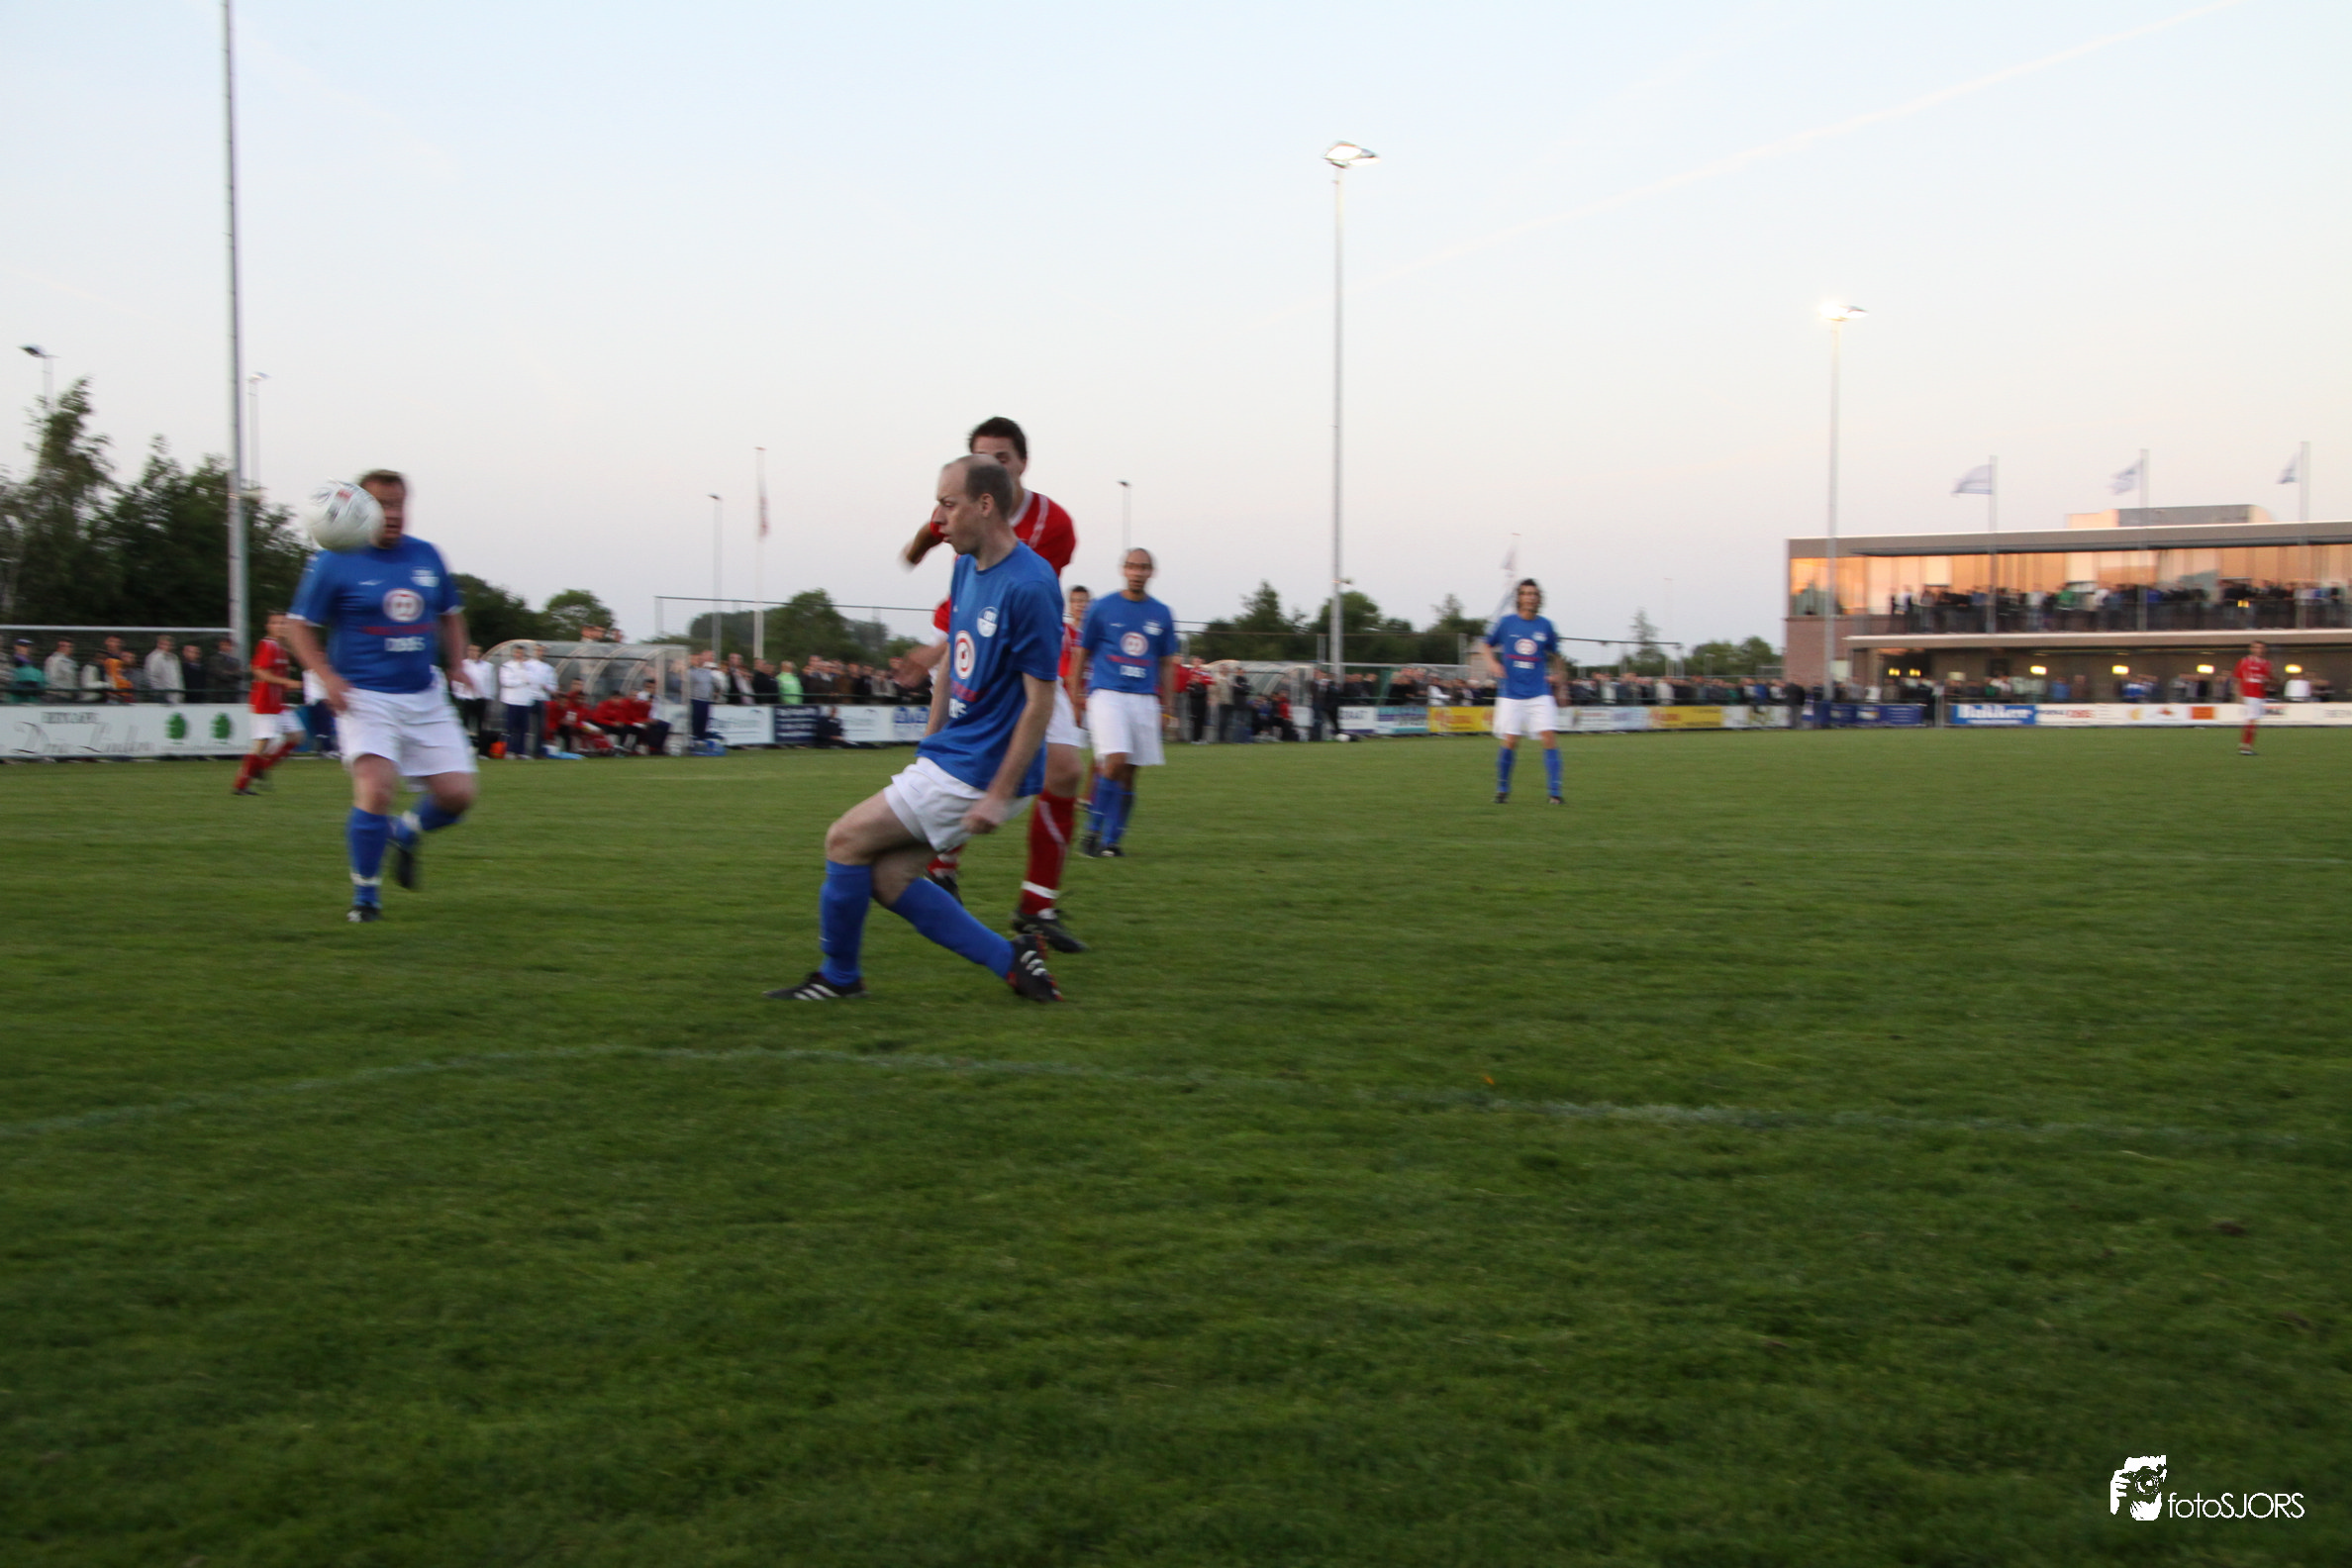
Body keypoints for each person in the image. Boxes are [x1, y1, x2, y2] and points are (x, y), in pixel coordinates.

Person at [769, 455, 1062, 1003]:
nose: (938, 518)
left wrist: (998, 794)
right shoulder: (965, 566)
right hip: (955, 757)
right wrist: (930, 740)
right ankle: (1012, 962)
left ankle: (839, 979)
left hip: (982, 769)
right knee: (888, 879)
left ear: (985, 505)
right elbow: (952, 656)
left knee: (844, 839)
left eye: (948, 504)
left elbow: (1040, 701)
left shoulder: (1031, 585)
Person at [899, 417, 1088, 951]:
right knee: (962, 761)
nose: (993, 465)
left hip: (1022, 651)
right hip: (969, 644)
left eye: (1002, 457)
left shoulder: (1053, 523)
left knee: (1066, 770)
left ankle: (1036, 904)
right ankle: (942, 868)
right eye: (982, 457)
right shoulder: (961, 507)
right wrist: (921, 542)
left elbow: (1022, 593)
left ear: (1022, 463)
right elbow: (926, 548)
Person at [281, 470, 478, 922]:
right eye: (382, 505)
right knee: (376, 788)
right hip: (364, 695)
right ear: (360, 508)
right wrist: (326, 676)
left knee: (458, 795)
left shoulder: (427, 555)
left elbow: (450, 615)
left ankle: (405, 831)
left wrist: (456, 663)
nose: (393, 514)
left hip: (424, 695)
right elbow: (298, 626)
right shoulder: (335, 559)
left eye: (399, 504)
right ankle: (366, 898)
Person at [1078, 549, 1179, 858]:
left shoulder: (1162, 613)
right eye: (1132, 566)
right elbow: (1082, 653)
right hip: (1107, 693)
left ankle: (1112, 841)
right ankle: (1092, 833)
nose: (1137, 572)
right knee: (1115, 760)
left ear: (1152, 572)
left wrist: (1167, 708)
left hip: (1144, 698)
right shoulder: (1102, 607)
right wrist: (1074, 696)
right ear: (1123, 569)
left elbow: (1166, 663)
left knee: (1130, 772)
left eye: (1143, 567)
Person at [1483, 578, 1567, 804]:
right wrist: (1492, 663)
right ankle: (1502, 789)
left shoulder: (1545, 626)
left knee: (1549, 737)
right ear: (1519, 598)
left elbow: (1556, 655)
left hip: (1540, 692)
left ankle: (1555, 793)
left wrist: (1560, 681)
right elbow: (1485, 644)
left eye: (1534, 594)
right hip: (1511, 693)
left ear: (1539, 599)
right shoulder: (1506, 622)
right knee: (1511, 741)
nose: (1530, 597)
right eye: (1526, 593)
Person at [233, 612, 303, 795]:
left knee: (296, 736)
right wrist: (287, 682)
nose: (281, 626)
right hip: (264, 702)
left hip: (278, 703)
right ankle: (241, 785)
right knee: (262, 742)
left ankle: (261, 767)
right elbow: (258, 671)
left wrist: (287, 686)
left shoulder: (281, 647)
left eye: (283, 623)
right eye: (276, 623)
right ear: (268, 626)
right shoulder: (267, 645)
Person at [2234, 640, 2276, 756]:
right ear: (2251, 649)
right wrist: (2238, 694)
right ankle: (2246, 747)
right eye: (2257, 648)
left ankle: (2245, 745)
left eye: (2261, 648)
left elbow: (2269, 680)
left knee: (2253, 720)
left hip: (2260, 695)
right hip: (2249, 694)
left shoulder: (2267, 664)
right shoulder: (2244, 662)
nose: (2259, 650)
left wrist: (2268, 682)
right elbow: (2237, 678)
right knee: (2252, 720)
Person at [452, 643, 495, 754]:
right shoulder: (463, 664)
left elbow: (490, 683)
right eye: (471, 650)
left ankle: (482, 752)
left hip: (481, 699)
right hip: (466, 699)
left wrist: (489, 697)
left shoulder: (487, 666)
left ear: (480, 652)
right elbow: (456, 682)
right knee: (464, 725)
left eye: (475, 650)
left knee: (481, 726)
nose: (473, 653)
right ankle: (462, 750)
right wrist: (459, 694)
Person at [687, 649, 721, 751]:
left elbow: (717, 684)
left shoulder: (708, 672)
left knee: (704, 722)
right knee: (695, 722)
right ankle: (694, 741)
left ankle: (701, 741)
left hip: (706, 700)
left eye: (700, 659)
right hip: (695, 700)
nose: (699, 661)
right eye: (696, 659)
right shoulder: (690, 672)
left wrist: (716, 692)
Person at [143, 636, 185, 704]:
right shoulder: (154, 657)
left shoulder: (174, 658)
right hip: (162, 696)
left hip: (176, 696)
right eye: (164, 644)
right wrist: (160, 693)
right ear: (159, 644)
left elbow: (178, 676)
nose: (167, 647)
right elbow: (151, 677)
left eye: (169, 645)